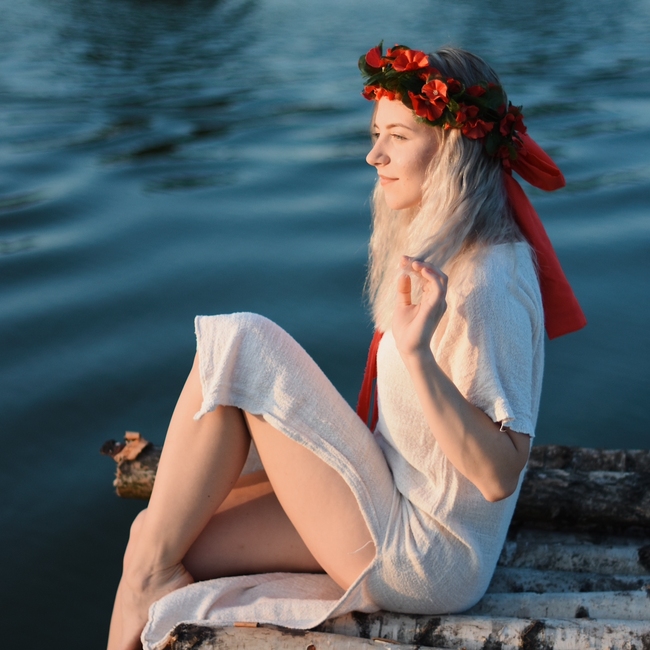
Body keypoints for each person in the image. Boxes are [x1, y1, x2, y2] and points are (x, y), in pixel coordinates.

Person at [107, 44, 586, 650]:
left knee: (243, 341)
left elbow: (498, 473)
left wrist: (417, 356)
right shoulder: (450, 249)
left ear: (454, 149)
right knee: (153, 534)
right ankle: (149, 585)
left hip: (429, 556)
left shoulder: (488, 283)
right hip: (397, 493)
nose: (374, 155)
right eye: (375, 134)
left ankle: (147, 589)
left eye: (397, 137)